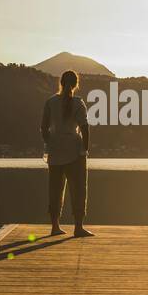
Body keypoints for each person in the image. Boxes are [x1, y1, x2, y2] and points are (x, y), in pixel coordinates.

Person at [41, 70, 93, 237]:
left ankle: (55, 227)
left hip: (55, 150)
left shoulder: (50, 102)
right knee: (78, 189)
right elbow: (84, 128)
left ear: (61, 83)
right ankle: (78, 228)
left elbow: (43, 127)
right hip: (74, 151)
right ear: (76, 84)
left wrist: (50, 142)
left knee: (54, 189)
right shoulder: (79, 103)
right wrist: (84, 149)